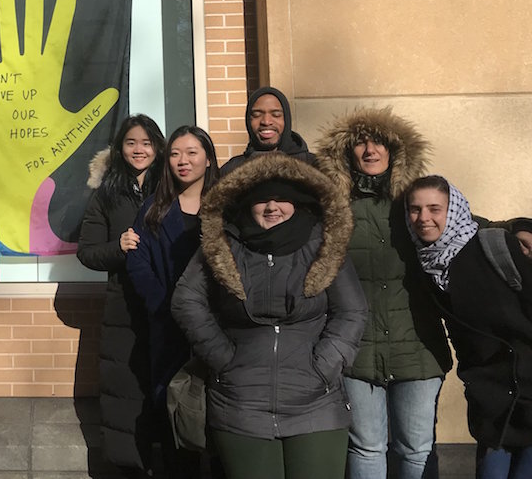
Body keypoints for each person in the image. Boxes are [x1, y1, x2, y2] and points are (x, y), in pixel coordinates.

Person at [171, 153, 367, 479]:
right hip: (239, 404)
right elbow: (186, 300)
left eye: (282, 199)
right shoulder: (225, 244)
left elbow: (352, 311)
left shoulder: (323, 243)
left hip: (316, 403)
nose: (272, 207)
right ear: (248, 203)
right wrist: (223, 358)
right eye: (262, 200)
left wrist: (325, 365)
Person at [316, 108, 451, 479]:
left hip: (417, 347)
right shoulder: (332, 208)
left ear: (396, 150)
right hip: (355, 350)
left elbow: (463, 233)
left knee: (415, 448)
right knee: (366, 447)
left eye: (379, 142)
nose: (370, 150)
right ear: (347, 152)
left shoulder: (417, 204)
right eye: (360, 142)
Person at [406, 176, 532, 478]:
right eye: (415, 209)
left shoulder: (495, 248)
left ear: (454, 211)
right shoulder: (426, 264)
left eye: (435, 208)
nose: (424, 218)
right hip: (490, 400)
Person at [125, 124, 219, 477]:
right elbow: (138, 263)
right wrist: (165, 308)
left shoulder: (226, 206)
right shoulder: (155, 210)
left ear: (208, 159)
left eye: (192, 153)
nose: (183, 161)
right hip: (170, 330)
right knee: (175, 417)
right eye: (176, 154)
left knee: (224, 419)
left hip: (221, 331)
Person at [77, 114, 166, 477]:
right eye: (131, 143)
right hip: (123, 309)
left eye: (146, 143)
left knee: (164, 390)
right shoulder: (107, 194)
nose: (139, 150)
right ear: (120, 149)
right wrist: (119, 246)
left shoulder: (171, 188)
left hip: (168, 307)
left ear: (158, 147)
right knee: (124, 394)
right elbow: (87, 251)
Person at [220, 86, 316, 176]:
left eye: (276, 114)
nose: (266, 122)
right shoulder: (232, 170)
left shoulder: (314, 166)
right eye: (257, 115)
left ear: (286, 119)